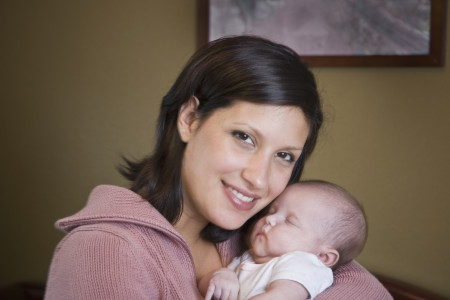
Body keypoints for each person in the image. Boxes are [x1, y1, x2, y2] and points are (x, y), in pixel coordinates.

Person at [44, 35, 392, 299]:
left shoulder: (265, 233)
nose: (259, 179)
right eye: (244, 136)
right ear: (189, 119)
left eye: (284, 156)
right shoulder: (105, 251)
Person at [199, 180, 367, 300]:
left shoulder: (304, 263)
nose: (269, 220)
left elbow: (284, 295)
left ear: (323, 257)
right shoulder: (247, 258)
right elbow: (205, 288)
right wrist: (222, 276)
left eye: (289, 221)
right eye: (271, 211)